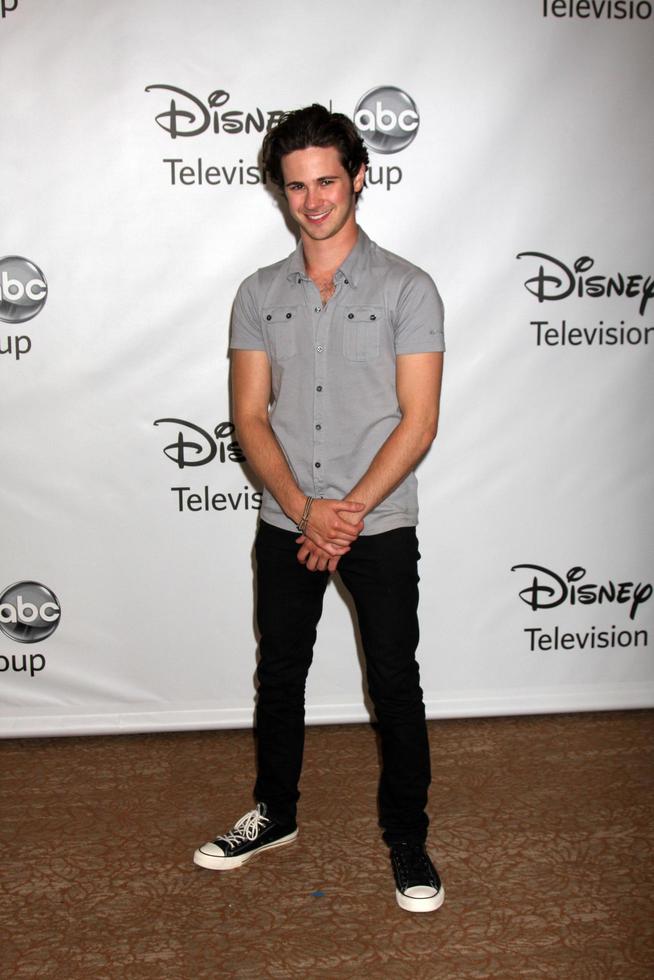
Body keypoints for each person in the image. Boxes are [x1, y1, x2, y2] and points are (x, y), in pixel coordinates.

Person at [193, 104, 445, 913]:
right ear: (281, 192)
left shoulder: (410, 287)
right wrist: (306, 510)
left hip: (381, 520)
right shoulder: (257, 293)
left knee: (395, 683)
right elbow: (249, 416)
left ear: (358, 178)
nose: (313, 200)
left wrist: (348, 512)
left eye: (326, 181)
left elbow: (420, 419)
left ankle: (408, 837)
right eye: (296, 186)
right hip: (285, 520)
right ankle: (276, 813)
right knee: (280, 674)